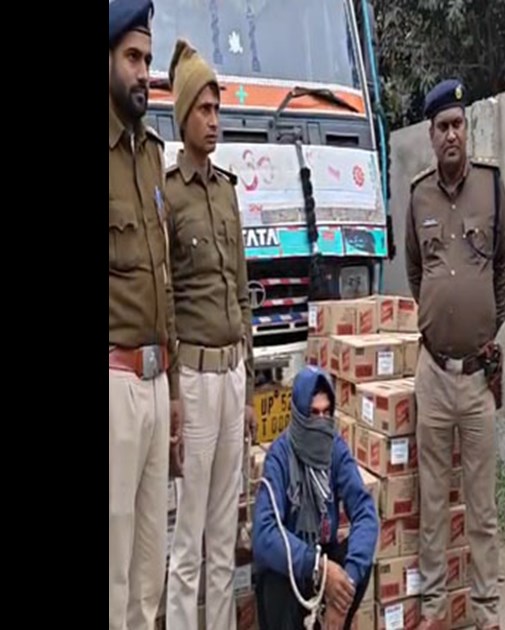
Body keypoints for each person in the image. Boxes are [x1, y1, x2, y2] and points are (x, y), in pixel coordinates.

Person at [404, 78, 505, 630]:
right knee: (432, 501)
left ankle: (487, 610)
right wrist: (439, 316)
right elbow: (415, 271)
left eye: (458, 125)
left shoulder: (491, 187)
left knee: (482, 507)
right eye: (442, 126)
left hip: (475, 380)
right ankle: (433, 608)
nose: (452, 134)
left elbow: (504, 265)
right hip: (433, 373)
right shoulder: (419, 196)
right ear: (431, 134)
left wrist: (488, 322)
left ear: (467, 130)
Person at [162, 39, 257, 630]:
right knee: (189, 539)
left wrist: (248, 390)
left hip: (231, 377)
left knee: (225, 535)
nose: (215, 119)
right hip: (194, 382)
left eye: (218, 108)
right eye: (204, 108)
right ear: (184, 115)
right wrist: (174, 393)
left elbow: (242, 293)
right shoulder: (168, 195)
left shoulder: (226, 191)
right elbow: (166, 303)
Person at [109, 1, 179, 628]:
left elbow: (165, 279)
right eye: (132, 57)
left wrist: (174, 392)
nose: (143, 72)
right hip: (115, 383)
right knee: (112, 566)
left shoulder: (152, 153)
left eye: (148, 59)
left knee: (150, 568)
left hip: (157, 385)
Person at [252, 366, 379, 630]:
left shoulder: (335, 449)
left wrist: (345, 588)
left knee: (360, 557)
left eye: (326, 413)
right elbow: (264, 534)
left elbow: (365, 513)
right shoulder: (279, 456)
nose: (320, 422)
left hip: (324, 556)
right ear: (299, 414)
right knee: (274, 577)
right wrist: (317, 567)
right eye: (313, 413)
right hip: (293, 565)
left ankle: (334, 616)